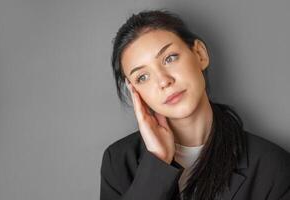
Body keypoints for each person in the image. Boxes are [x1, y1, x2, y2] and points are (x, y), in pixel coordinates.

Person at [99, 10, 290, 200]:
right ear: (135, 92)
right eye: (143, 77)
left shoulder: (272, 166)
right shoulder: (118, 162)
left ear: (200, 54)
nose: (163, 81)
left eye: (170, 58)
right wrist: (157, 161)